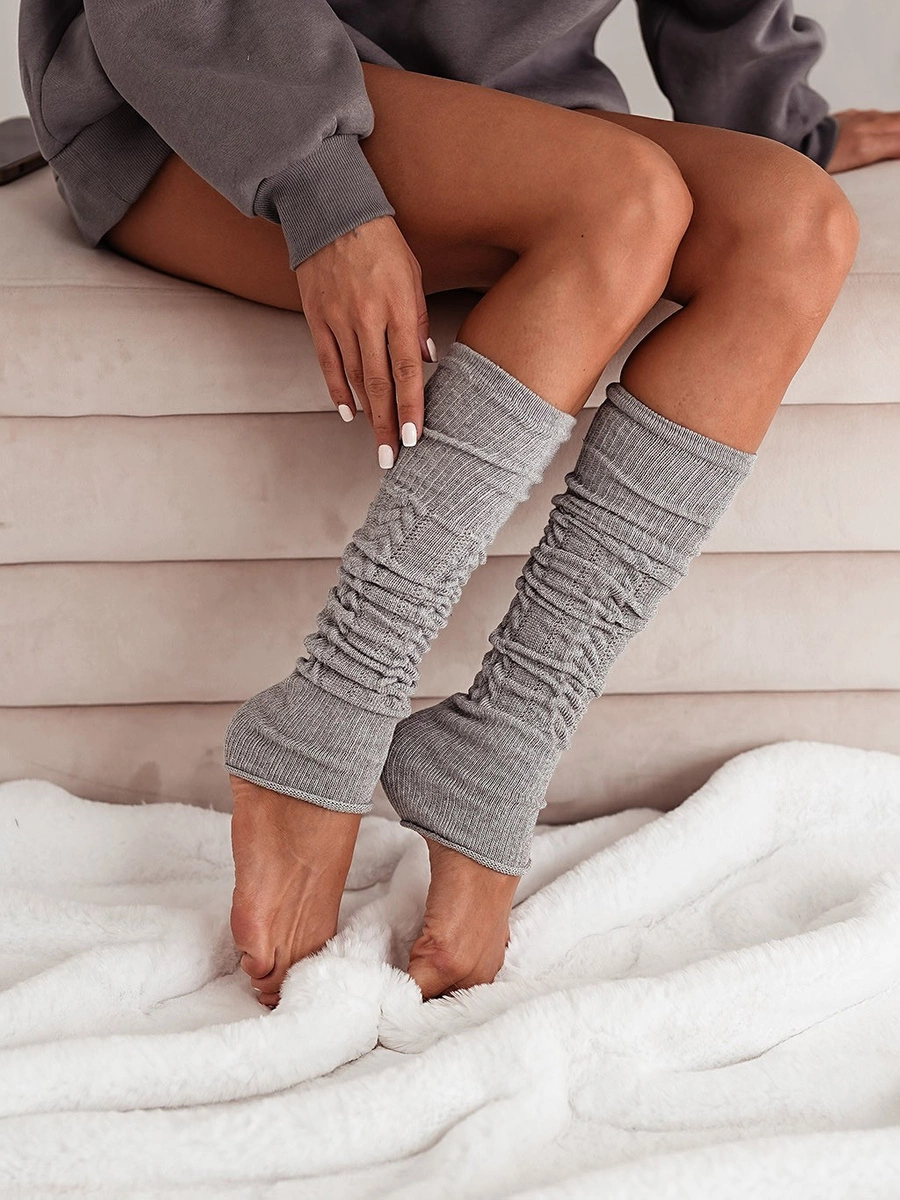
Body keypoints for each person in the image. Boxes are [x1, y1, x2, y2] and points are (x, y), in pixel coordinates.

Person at [19, 0, 880, 1008]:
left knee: (799, 225)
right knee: (622, 199)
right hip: (210, 90)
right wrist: (321, 185)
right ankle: (329, 714)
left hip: (503, 113)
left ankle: (498, 746)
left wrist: (777, 120)